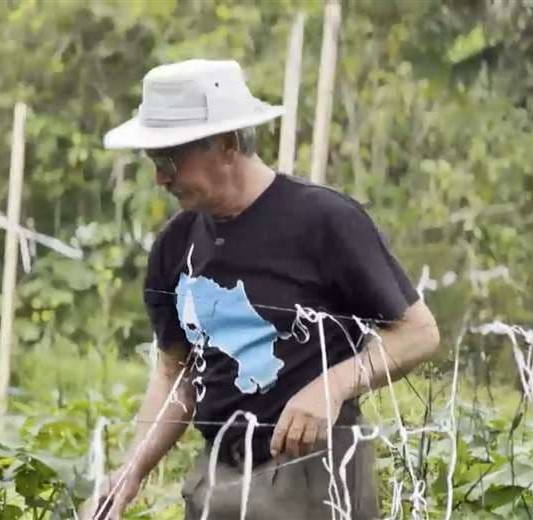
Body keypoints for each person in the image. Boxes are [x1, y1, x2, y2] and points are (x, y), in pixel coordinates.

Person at [83, 59, 440, 520]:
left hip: (312, 471)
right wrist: (128, 473)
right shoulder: (175, 245)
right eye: (154, 162)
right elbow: (177, 374)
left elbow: (418, 332)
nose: (160, 178)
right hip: (220, 477)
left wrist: (330, 387)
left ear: (228, 144)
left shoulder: (323, 221)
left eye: (170, 159)